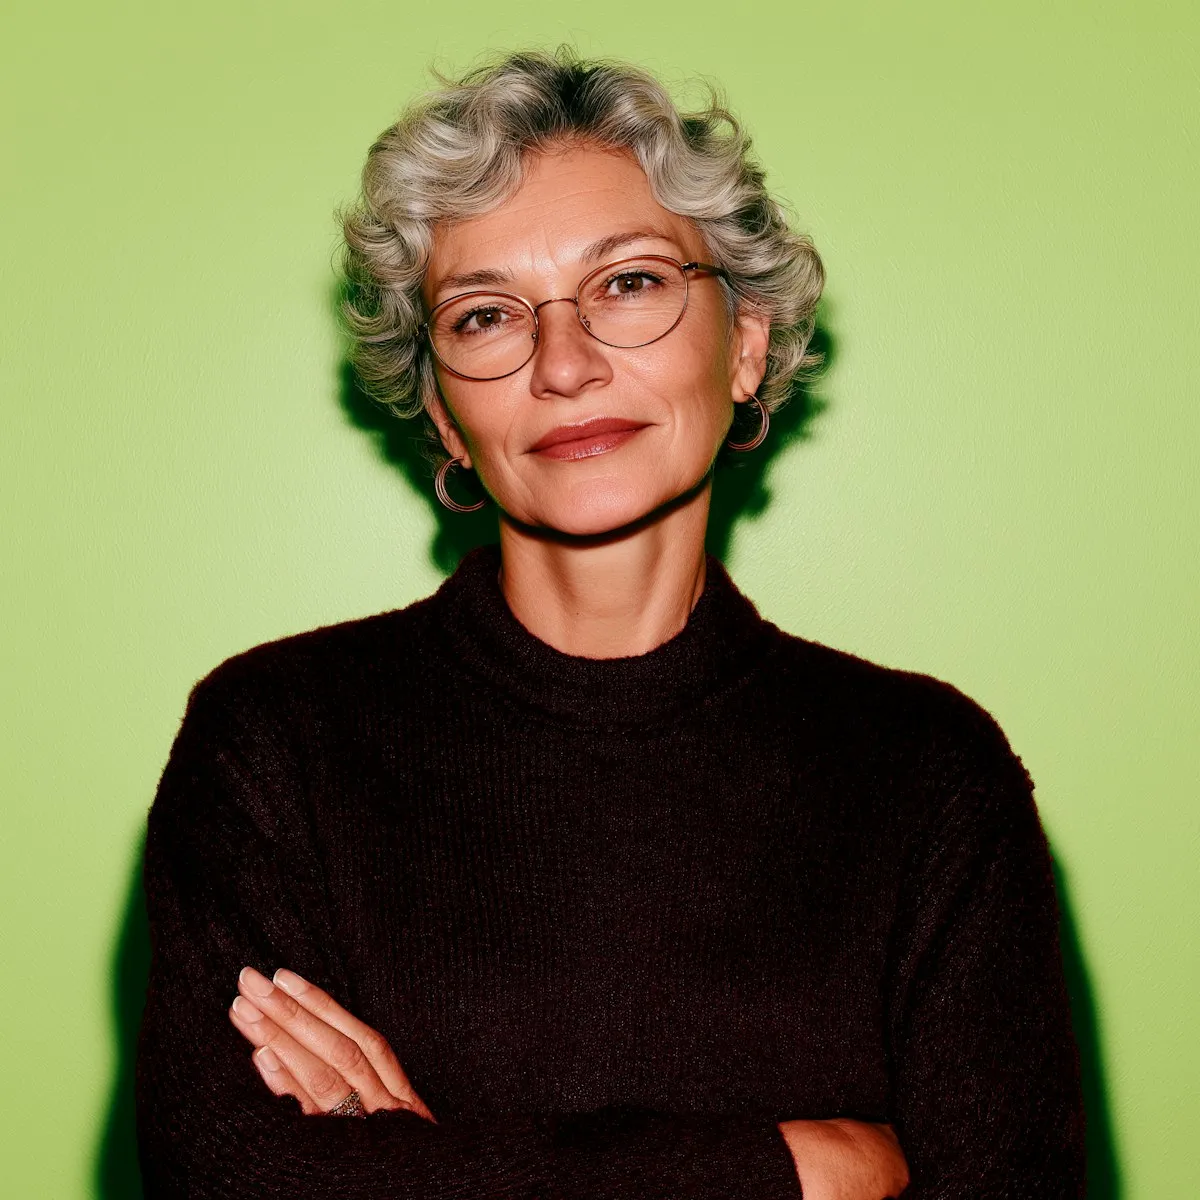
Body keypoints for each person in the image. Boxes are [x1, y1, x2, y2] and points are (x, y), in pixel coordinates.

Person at [135, 48, 1086, 1199]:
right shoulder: (273, 744)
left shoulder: (929, 777)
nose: (565, 365)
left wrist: (421, 1169)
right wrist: (795, 1167)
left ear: (745, 343)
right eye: (486, 315)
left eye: (628, 284)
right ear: (442, 410)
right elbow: (228, 1176)